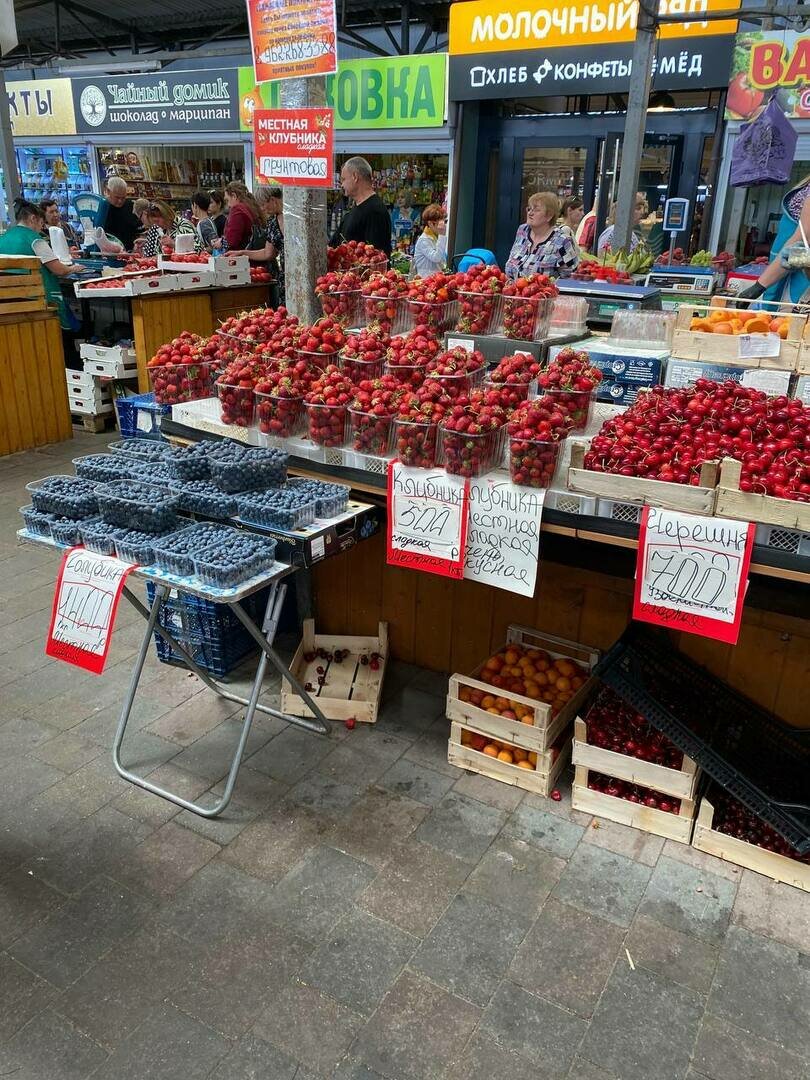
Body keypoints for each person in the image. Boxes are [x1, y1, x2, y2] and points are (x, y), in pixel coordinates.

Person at [0, 198, 75, 330]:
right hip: (37, 301)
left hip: (8, 304)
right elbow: (59, 270)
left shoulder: (4, 238)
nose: (41, 229)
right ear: (33, 218)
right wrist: (74, 268)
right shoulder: (34, 239)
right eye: (41, 223)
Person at [737, 175, 810, 305]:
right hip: (784, 267)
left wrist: (760, 285)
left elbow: (803, 244)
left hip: (795, 281)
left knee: (787, 320)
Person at [229, 185, 285, 306]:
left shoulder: (296, 218)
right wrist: (243, 252)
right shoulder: (272, 223)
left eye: (263, 204)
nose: (262, 209)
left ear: (272, 200)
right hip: (285, 277)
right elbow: (268, 253)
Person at [505, 191, 579, 280]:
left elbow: (571, 279)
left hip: (544, 293)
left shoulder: (562, 241)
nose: (530, 213)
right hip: (511, 292)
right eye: (529, 209)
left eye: (536, 210)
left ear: (549, 216)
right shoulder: (522, 230)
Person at [330, 157, 392, 257]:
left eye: (344, 179)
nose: (342, 185)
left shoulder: (375, 211)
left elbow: (377, 258)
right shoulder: (356, 208)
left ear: (355, 177)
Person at [99, 176, 142, 250]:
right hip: (108, 253)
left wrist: (139, 242)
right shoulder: (101, 208)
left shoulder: (132, 206)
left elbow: (140, 229)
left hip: (130, 253)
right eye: (117, 197)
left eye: (123, 198)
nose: (120, 201)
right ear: (108, 191)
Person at [219, 181, 264, 252]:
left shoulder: (237, 210)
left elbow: (232, 241)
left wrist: (220, 242)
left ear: (234, 196)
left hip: (242, 258)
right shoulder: (251, 207)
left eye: (227, 200)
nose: (228, 205)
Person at [413, 204, 447, 277]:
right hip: (425, 280)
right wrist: (442, 236)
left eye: (445, 222)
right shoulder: (424, 240)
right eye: (440, 223)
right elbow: (436, 258)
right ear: (430, 223)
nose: (443, 226)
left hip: (436, 278)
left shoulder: (435, 236)